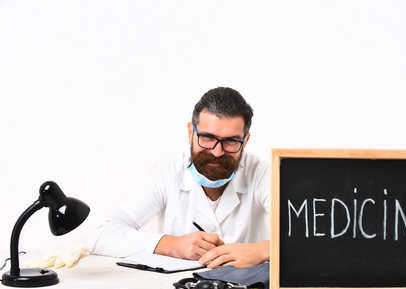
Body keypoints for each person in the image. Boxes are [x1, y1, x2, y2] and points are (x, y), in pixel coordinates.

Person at [88, 87, 270, 269]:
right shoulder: (168, 171)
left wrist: (261, 251)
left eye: (231, 141)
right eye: (207, 138)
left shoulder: (261, 173)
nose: (217, 151)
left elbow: (298, 235)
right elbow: (102, 236)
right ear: (191, 132)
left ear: (245, 141)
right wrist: (172, 245)